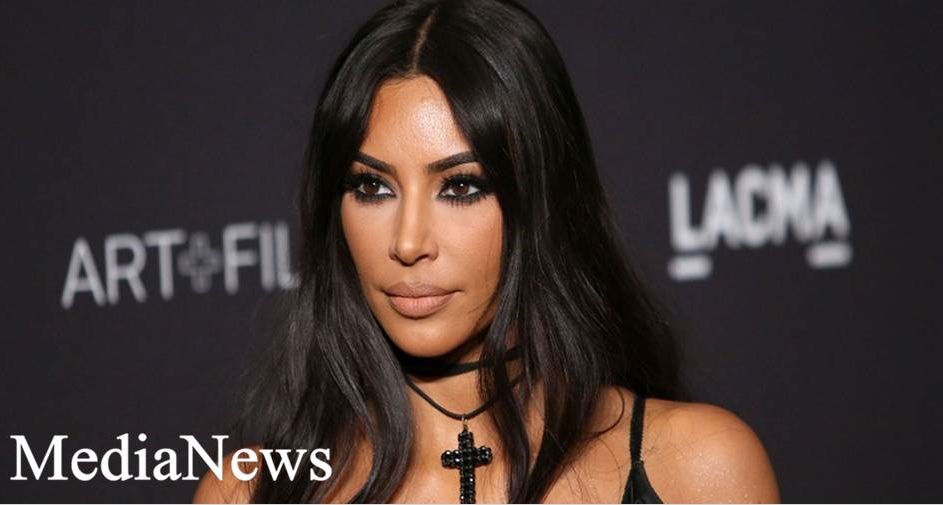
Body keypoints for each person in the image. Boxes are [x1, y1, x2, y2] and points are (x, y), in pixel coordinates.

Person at [194, 0, 780, 502]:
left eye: (461, 187)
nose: (408, 242)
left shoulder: (696, 469)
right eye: (371, 187)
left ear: (544, 199)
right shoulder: (249, 492)